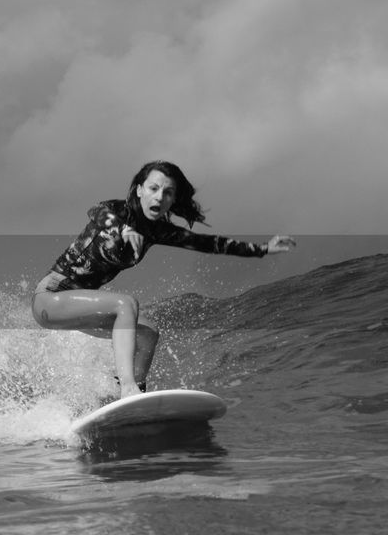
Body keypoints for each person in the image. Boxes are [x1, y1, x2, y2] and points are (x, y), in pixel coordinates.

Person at [31, 160, 296, 398]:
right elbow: (96, 211)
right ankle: (127, 388)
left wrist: (262, 249)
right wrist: (123, 229)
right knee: (126, 304)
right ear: (139, 190)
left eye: (167, 192)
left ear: (173, 200)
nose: (160, 196)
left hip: (79, 309)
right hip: (50, 299)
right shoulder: (114, 211)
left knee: (148, 333)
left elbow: (208, 243)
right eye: (153, 188)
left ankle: (126, 397)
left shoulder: (158, 231)